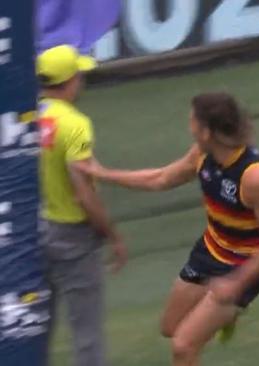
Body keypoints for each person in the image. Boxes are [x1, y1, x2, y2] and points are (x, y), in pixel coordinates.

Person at [79, 92, 259, 366]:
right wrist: (102, 174)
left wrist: (235, 283)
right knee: (171, 328)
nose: (188, 125)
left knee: (184, 346)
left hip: (242, 266)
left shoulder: (257, 177)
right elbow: (160, 178)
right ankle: (224, 316)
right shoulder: (202, 154)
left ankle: (227, 310)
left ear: (206, 131)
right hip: (209, 251)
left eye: (192, 121)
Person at [37, 44, 128, 366]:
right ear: (70, 80)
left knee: (34, 329)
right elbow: (84, 194)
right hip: (73, 237)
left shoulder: (25, 118)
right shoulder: (74, 125)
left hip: (32, 233)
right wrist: (111, 235)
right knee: (87, 335)